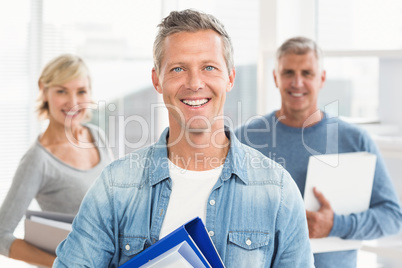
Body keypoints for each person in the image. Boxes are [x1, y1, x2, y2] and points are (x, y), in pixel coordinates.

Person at [54, 10, 313, 267]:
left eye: (209, 67)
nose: (194, 83)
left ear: (230, 78)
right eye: (178, 69)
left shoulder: (278, 191)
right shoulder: (114, 187)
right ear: (157, 80)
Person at [235, 36, 402, 267]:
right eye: (288, 73)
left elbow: (392, 217)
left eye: (307, 73)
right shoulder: (243, 139)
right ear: (275, 77)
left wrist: (335, 225)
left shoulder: (355, 139)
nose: (297, 82)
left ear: (322, 78)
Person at [0, 54, 114, 267]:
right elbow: (1, 236)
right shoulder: (37, 160)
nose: (73, 103)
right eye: (62, 91)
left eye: (81, 91)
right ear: (43, 90)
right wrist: (61, 263)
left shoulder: (96, 135)